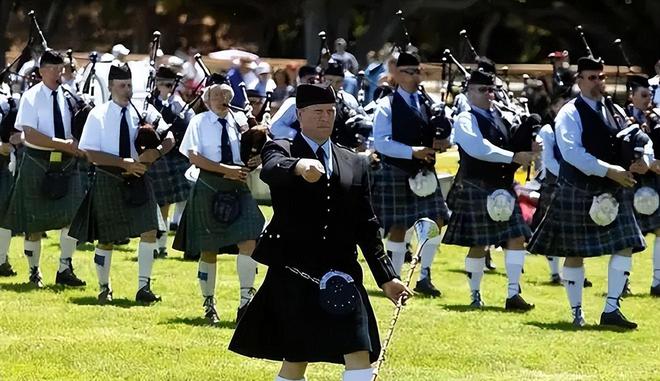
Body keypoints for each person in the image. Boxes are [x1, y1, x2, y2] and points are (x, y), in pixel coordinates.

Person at [229, 83, 409, 381]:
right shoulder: (281, 148)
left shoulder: (354, 161)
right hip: (294, 270)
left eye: (330, 111)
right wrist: (299, 166)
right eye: (317, 112)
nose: (326, 117)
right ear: (300, 114)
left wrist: (387, 277)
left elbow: (366, 223)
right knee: (296, 358)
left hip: (343, 272)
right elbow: (271, 169)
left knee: (358, 351)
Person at [528, 57, 649, 328]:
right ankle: (576, 312)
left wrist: (644, 161)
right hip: (579, 189)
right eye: (592, 77)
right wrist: (610, 171)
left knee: (625, 245)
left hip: (614, 189)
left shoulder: (614, 109)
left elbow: (638, 139)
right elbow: (572, 154)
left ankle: (611, 309)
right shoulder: (569, 113)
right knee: (575, 251)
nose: (598, 82)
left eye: (601, 77)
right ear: (579, 80)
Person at [68, 63, 173, 305]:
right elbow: (89, 152)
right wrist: (123, 163)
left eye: (129, 85)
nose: (126, 90)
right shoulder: (99, 114)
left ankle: (143, 287)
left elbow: (169, 136)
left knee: (149, 231)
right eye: (122, 86)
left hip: (139, 178)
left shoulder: (143, 111)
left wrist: (156, 152)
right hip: (109, 178)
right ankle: (105, 287)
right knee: (106, 238)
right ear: (111, 87)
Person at [443, 69, 540, 310]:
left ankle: (513, 294)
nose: (488, 94)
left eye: (490, 90)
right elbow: (479, 148)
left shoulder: (501, 116)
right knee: (479, 243)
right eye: (481, 90)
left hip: (503, 186)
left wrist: (528, 135)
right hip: (477, 185)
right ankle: (475, 295)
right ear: (469, 92)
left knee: (516, 238)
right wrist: (514, 156)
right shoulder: (465, 119)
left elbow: (510, 141)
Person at [175, 80, 265, 324]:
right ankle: (209, 304)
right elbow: (193, 156)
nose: (224, 101)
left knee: (249, 241)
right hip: (209, 184)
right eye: (218, 96)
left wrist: (254, 160)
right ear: (207, 100)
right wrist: (224, 169)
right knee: (209, 248)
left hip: (238, 185)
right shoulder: (199, 122)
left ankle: (245, 304)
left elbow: (250, 151)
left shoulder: (240, 121)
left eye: (227, 96)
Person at [2, 49, 87, 288]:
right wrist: (64, 144)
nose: (59, 73)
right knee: (34, 222)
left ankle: (65, 268)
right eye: (54, 69)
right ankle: (34, 272)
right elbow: (29, 134)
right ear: (41, 72)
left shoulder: (68, 95)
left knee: (71, 217)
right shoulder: (31, 96)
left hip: (66, 162)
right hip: (38, 159)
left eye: (61, 68)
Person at [371, 52, 451, 296]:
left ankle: (424, 275)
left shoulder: (429, 104)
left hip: (425, 171)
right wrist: (412, 152)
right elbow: (381, 142)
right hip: (397, 170)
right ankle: (394, 277)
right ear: (396, 74)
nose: (416, 77)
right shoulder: (387, 105)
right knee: (398, 225)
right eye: (410, 72)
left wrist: (443, 141)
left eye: (418, 72)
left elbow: (444, 133)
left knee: (436, 220)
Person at [146, 65, 195, 258]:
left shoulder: (180, 104)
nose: (164, 87)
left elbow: (190, 125)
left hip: (177, 157)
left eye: (168, 84)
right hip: (159, 157)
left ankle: (179, 243)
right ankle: (160, 245)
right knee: (161, 203)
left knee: (182, 200)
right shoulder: (150, 103)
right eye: (161, 83)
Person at [619, 74, 660, 297]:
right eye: (644, 95)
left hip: (653, 180)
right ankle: (622, 282)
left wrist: (653, 165)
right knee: (627, 235)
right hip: (628, 181)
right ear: (631, 96)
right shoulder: (620, 118)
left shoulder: (656, 120)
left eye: (650, 95)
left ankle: (658, 282)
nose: (648, 99)